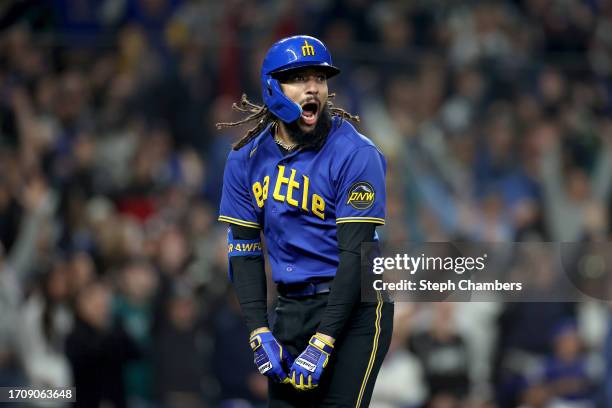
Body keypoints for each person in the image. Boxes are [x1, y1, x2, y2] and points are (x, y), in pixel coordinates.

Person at [217, 35, 394, 407]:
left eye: (320, 77)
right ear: (272, 87)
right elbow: (244, 250)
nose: (313, 87)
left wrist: (325, 339)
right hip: (290, 309)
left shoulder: (357, 154)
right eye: (299, 77)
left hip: (356, 308)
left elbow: (356, 258)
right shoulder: (244, 159)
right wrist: (258, 330)